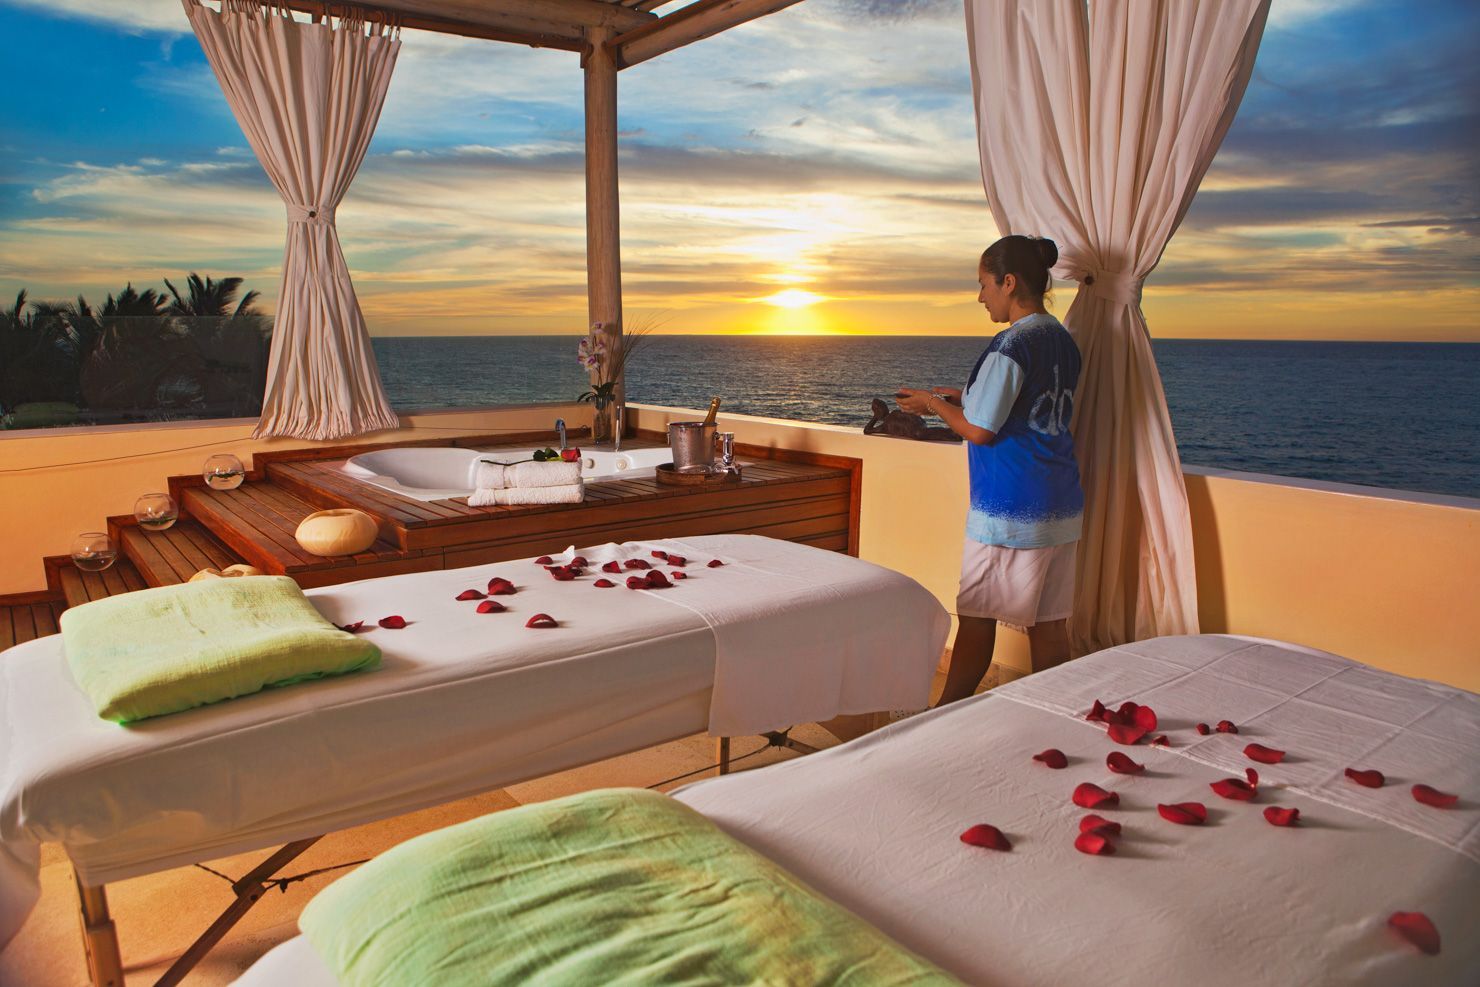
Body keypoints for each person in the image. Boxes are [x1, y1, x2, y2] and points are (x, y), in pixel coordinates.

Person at [896, 235, 1083, 705]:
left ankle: (946, 712)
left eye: (984, 286)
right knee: (1049, 625)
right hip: (1059, 504)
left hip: (1010, 510)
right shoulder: (1061, 339)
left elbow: (980, 431)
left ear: (1009, 282)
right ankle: (1052, 715)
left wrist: (933, 404)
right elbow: (1028, 405)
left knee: (977, 616)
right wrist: (964, 396)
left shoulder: (1011, 344)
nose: (981, 297)